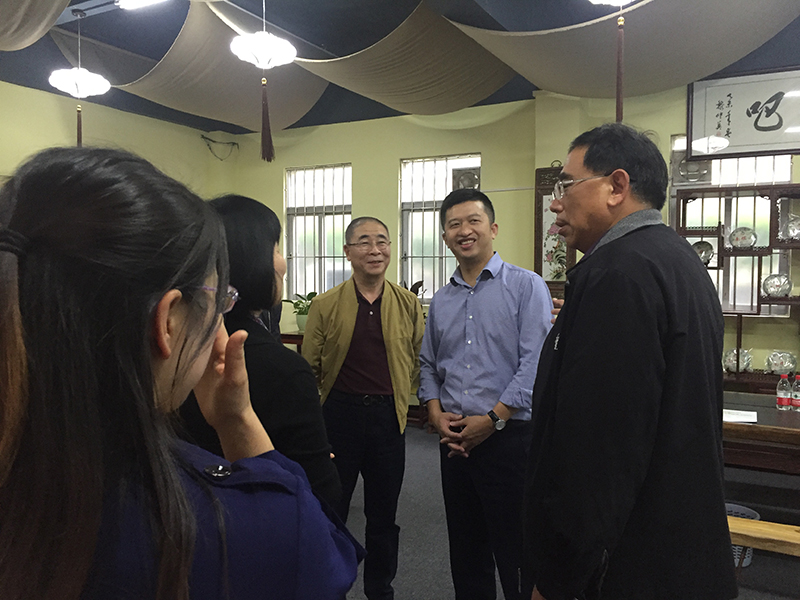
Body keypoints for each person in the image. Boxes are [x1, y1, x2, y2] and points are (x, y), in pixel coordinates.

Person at [0, 147, 362, 600]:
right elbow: (326, 559)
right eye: (217, 299)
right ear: (168, 321)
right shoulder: (242, 528)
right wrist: (239, 421)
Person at [523, 123, 737, 600]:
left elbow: (599, 448)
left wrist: (559, 577)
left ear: (616, 186)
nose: (556, 203)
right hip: (677, 541)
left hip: (627, 561)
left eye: (566, 185)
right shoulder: (675, 257)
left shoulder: (617, 274)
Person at [418, 188, 553, 600]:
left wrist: (493, 419)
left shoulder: (526, 286)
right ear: (445, 236)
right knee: (466, 550)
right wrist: (434, 412)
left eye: (473, 221)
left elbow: (534, 364)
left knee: (517, 550)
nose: (465, 230)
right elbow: (428, 364)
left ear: (492, 229)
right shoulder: (442, 300)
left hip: (509, 440)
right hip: (455, 440)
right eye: (454, 224)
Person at [180, 194, 341, 507]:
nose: (282, 262)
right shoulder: (283, 370)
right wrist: (311, 460)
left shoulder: (175, 346)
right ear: (251, 259)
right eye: (276, 248)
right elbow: (322, 502)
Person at [302, 216, 424, 600]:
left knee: (384, 515)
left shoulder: (407, 304)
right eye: (365, 242)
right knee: (332, 509)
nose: (375, 250)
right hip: (339, 416)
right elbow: (310, 365)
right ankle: (329, 587)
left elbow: (417, 360)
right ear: (348, 252)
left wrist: (400, 395)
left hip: (388, 419)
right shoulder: (325, 304)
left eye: (382, 241)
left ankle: (380, 589)